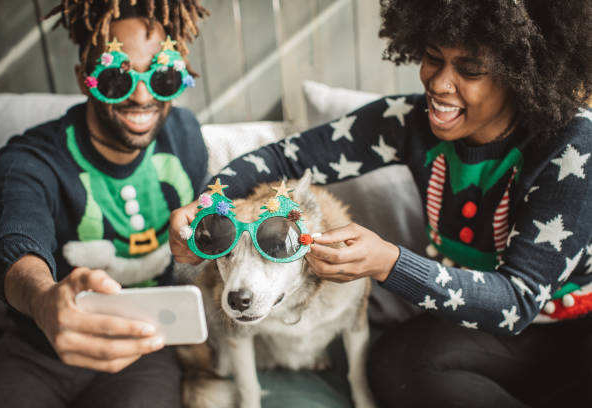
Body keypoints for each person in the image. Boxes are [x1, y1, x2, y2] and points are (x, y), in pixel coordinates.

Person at [169, 0, 592, 406]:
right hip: (484, 331)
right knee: (393, 367)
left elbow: (515, 301)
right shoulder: (411, 123)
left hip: (572, 332)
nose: (439, 84)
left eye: (471, 69)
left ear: (521, 74)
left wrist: (390, 263)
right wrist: (208, 203)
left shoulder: (574, 148)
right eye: (433, 57)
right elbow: (282, 158)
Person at [0, 1, 209, 407]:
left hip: (146, 349)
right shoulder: (32, 158)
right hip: (37, 351)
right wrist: (43, 300)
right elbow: (14, 238)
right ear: (85, 79)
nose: (143, 96)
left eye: (164, 75)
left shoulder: (186, 135)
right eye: (117, 78)